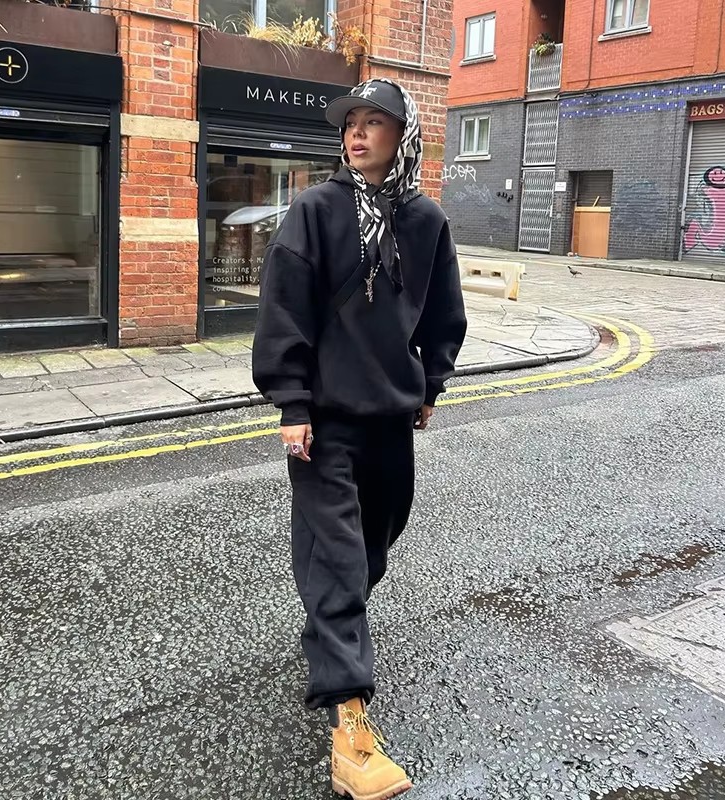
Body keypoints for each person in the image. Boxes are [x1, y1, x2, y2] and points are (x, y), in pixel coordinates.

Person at [252, 78, 467, 800]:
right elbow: (283, 308)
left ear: (403, 136)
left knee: (376, 541)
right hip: (323, 417)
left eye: (375, 122)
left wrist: (430, 385)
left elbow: (442, 313)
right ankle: (350, 727)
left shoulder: (427, 220)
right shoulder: (315, 210)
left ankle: (328, 624)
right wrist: (291, 401)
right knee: (341, 556)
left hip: (390, 418)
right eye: (351, 122)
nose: (357, 133)